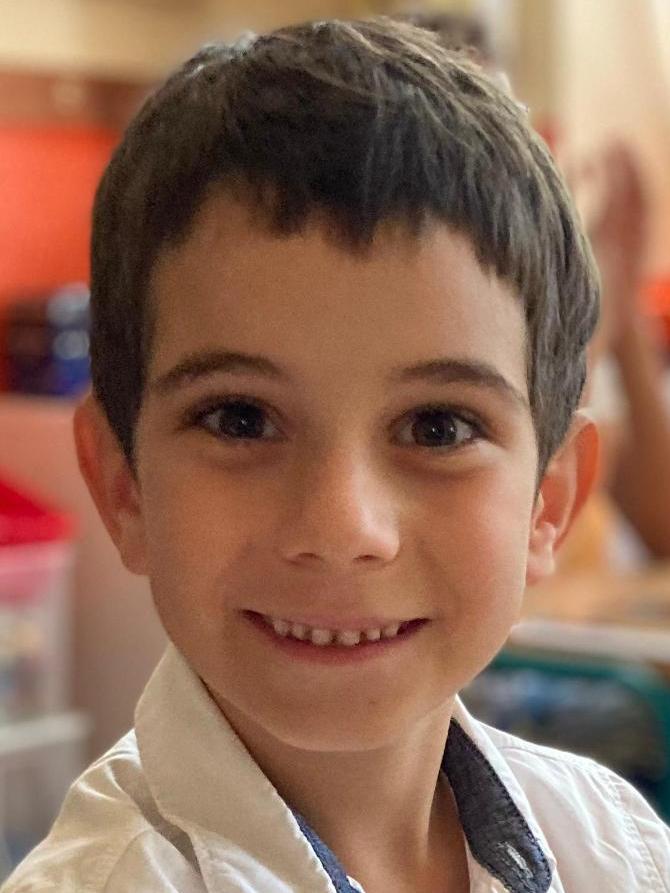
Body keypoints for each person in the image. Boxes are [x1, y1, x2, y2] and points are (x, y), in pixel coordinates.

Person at [3, 16, 669, 893]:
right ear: (123, 483)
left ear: (548, 502)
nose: (342, 526)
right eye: (241, 418)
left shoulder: (618, 848)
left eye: (437, 427)